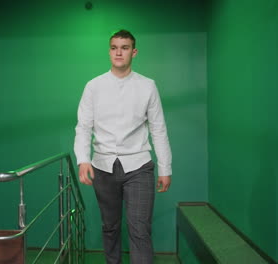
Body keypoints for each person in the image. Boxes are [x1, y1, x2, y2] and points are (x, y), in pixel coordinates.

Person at [74, 29, 172, 264]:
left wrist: (165, 168)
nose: (119, 52)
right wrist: (82, 159)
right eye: (114, 47)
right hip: (102, 166)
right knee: (110, 227)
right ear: (109, 51)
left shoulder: (148, 86)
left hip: (139, 166)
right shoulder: (93, 86)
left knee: (139, 228)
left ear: (133, 52)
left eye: (125, 48)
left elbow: (158, 129)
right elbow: (83, 127)